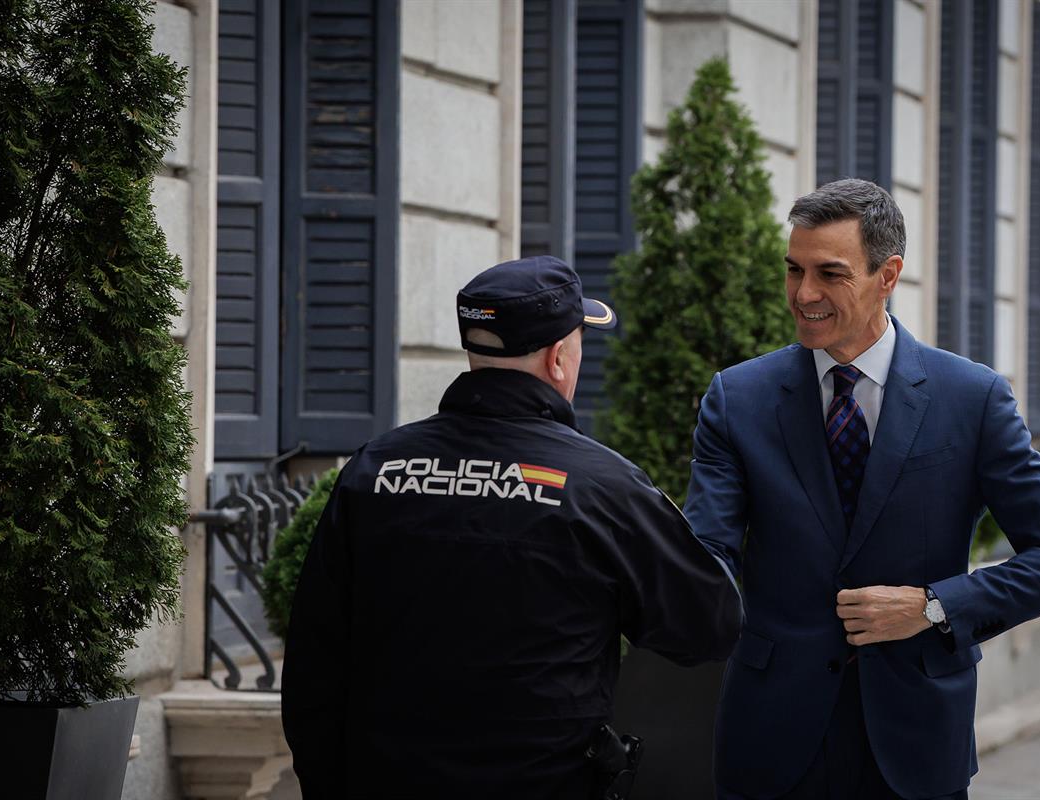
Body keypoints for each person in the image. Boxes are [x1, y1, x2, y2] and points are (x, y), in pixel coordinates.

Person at [684, 179, 1040, 800]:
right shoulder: (737, 397)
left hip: (917, 741)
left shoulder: (973, 398)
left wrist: (932, 605)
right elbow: (705, 558)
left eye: (830, 274)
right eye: (793, 270)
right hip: (770, 738)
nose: (804, 294)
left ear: (888, 274)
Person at [281, 255, 743, 799]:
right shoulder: (602, 486)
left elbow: (313, 663)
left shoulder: (374, 470)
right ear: (558, 359)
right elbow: (708, 625)